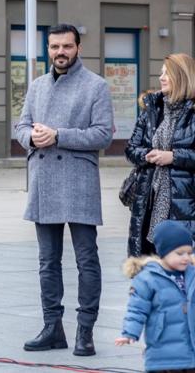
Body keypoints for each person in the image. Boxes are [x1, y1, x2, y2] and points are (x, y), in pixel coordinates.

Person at [14, 23, 114, 356]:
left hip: (78, 183)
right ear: (49, 49)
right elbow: (21, 126)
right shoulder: (37, 86)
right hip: (44, 182)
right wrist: (31, 137)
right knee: (47, 261)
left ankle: (85, 331)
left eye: (67, 47)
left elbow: (103, 135)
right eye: (55, 47)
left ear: (78, 48)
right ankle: (52, 328)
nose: (60, 52)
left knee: (86, 259)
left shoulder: (96, 86)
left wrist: (59, 135)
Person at [125, 54, 195, 258]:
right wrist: (148, 155)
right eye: (161, 73)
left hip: (185, 202)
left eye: (168, 73)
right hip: (149, 198)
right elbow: (131, 148)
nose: (161, 78)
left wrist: (173, 157)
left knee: (181, 263)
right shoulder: (152, 109)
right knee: (150, 260)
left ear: (182, 77)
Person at [116, 220, 195, 371]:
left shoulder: (192, 274)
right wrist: (129, 333)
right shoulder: (148, 279)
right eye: (180, 253)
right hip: (162, 352)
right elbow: (136, 309)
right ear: (163, 252)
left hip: (191, 353)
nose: (186, 257)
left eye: (189, 252)